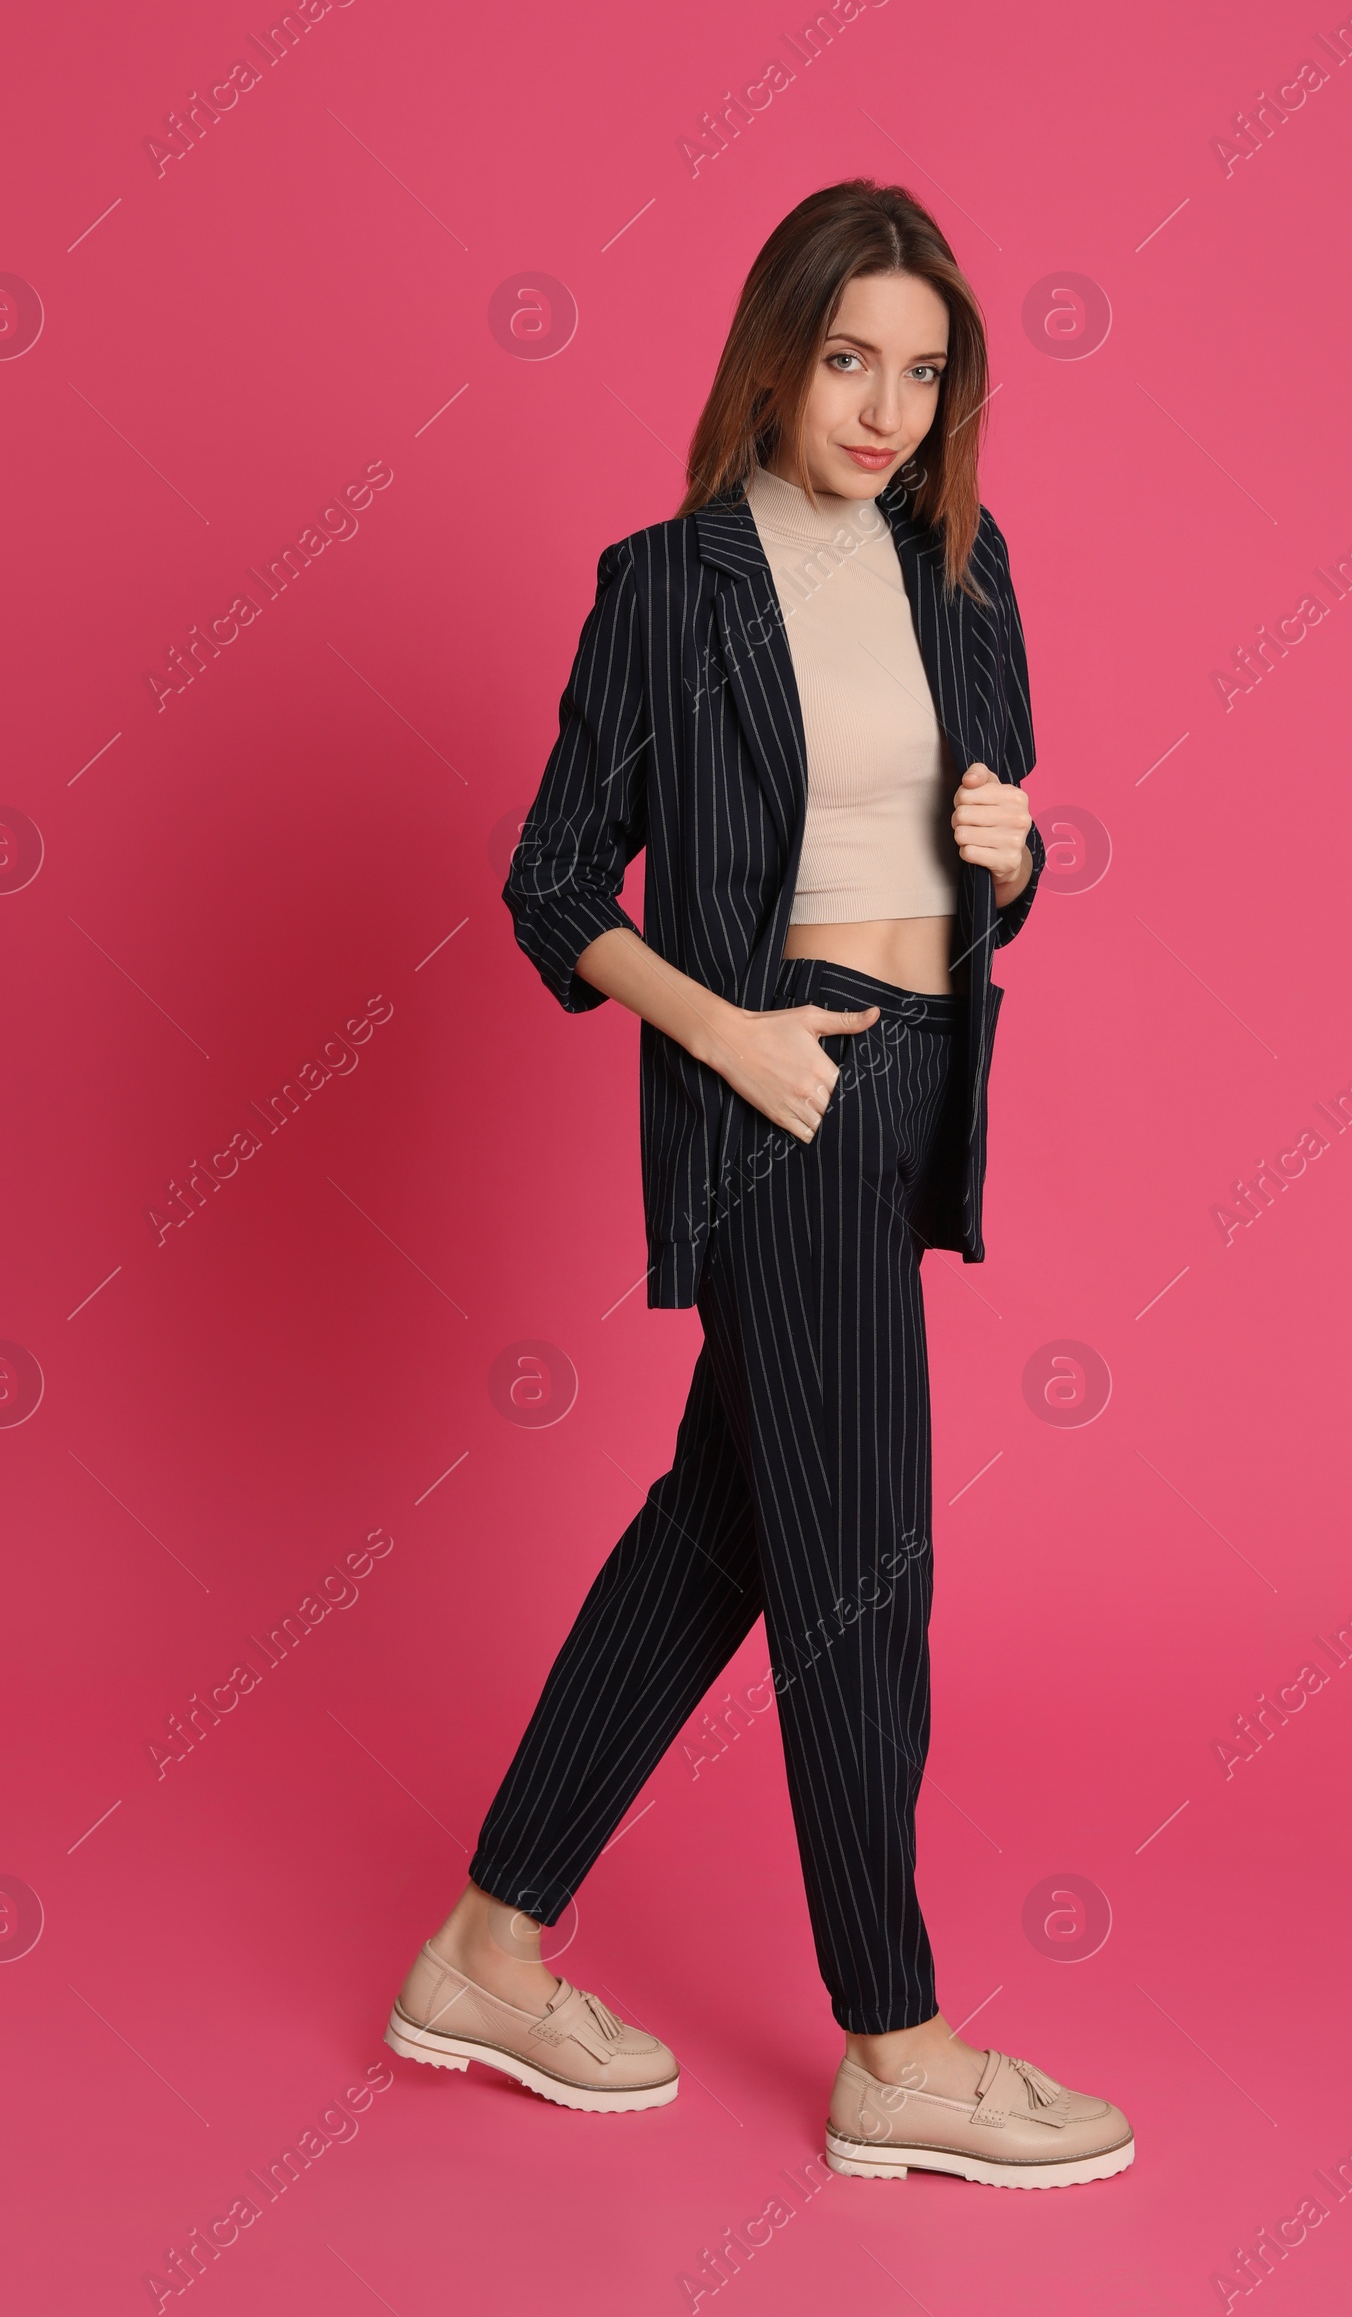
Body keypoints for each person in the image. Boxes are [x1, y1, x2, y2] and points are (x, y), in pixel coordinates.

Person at [383, 179, 1134, 2190]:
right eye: (846, 359)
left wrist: (1016, 856)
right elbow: (551, 887)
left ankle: (486, 1946)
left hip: (907, 1099)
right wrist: (729, 1038)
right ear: (775, 356)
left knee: (723, 1524)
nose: (881, 406)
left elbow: (992, 883)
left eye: (920, 368)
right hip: (780, 1091)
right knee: (863, 1566)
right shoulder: (666, 585)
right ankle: (893, 2044)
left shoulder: (963, 575)